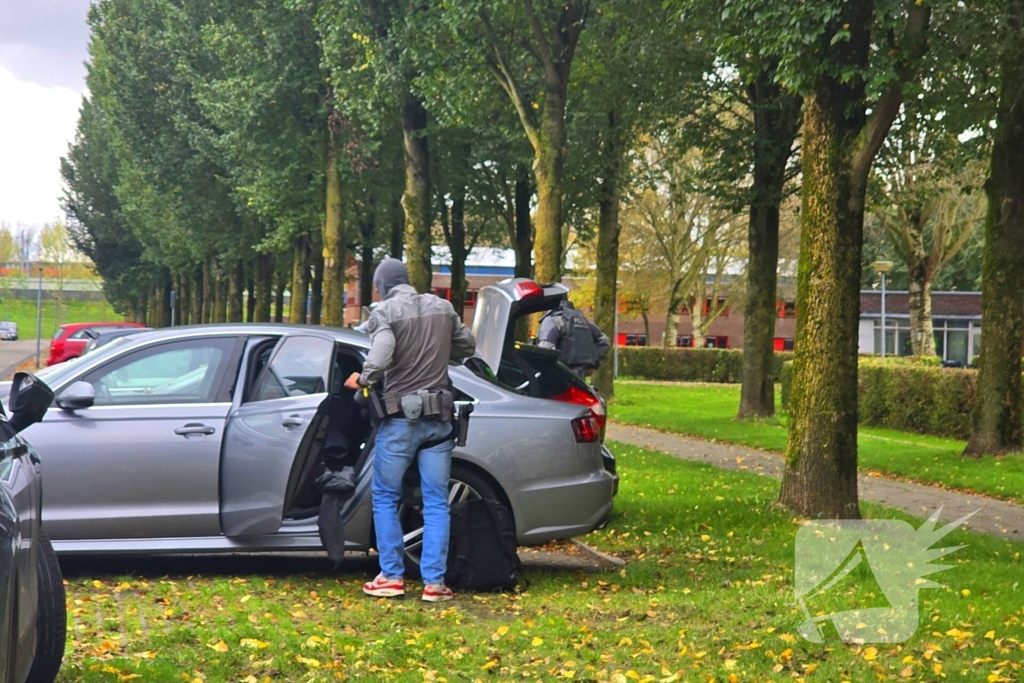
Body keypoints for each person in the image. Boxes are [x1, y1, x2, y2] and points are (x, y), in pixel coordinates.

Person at [344, 258, 476, 602]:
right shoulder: (442, 308)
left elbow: (383, 352)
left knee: (386, 496)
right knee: (436, 501)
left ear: (382, 286)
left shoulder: (385, 312)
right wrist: (434, 353)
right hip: (439, 421)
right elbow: (467, 347)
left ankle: (391, 576)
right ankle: (434, 584)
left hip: (401, 421)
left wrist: (364, 379)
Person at [537, 299, 611, 379]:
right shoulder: (585, 322)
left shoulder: (552, 320)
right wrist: (594, 363)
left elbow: (545, 348)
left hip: (560, 375)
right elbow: (604, 341)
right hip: (581, 375)